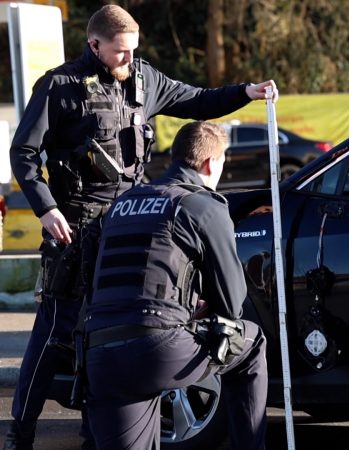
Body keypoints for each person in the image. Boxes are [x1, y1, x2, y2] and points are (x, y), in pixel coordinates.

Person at [4, 5, 278, 449]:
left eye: (133, 52)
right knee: (57, 329)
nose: (128, 61)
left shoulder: (146, 80)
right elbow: (24, 154)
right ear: (94, 45)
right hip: (74, 225)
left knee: (109, 333)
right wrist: (46, 209)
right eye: (120, 53)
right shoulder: (60, 86)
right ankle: (21, 433)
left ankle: (96, 431)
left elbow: (199, 100)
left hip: (127, 222)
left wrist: (247, 91)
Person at [85, 121, 268, 450]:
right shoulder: (203, 205)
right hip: (159, 350)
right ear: (210, 163)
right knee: (251, 342)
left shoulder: (121, 205)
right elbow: (232, 303)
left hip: (100, 353)